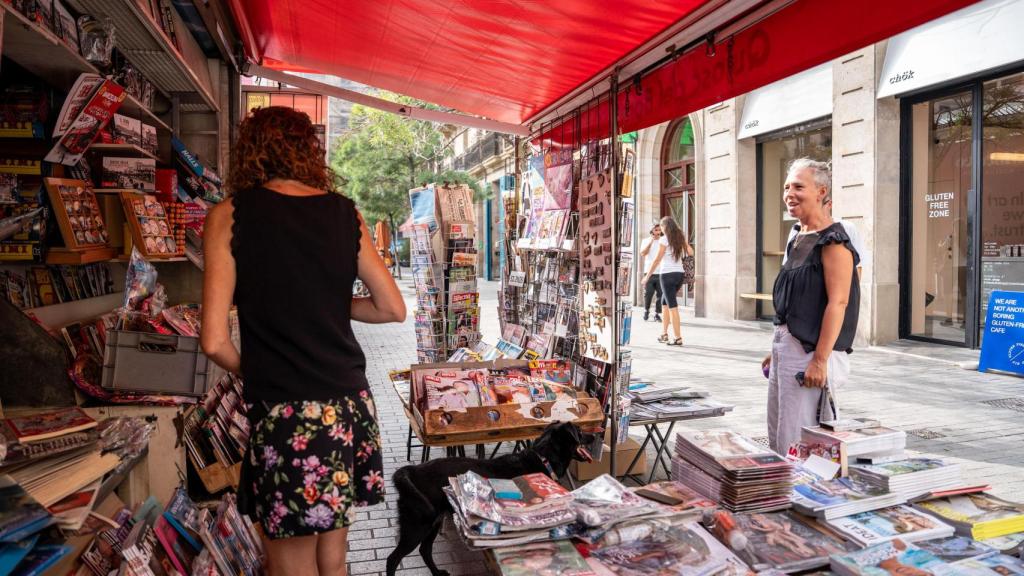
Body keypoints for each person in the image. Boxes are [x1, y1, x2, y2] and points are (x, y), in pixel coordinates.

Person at [200, 106, 406, 576]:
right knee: (332, 562)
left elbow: (213, 340)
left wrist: (260, 370)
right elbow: (391, 308)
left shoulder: (228, 217)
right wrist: (331, 302)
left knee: (290, 567)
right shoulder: (343, 213)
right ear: (309, 152)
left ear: (250, 151)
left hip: (286, 415)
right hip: (348, 408)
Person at [762, 158, 859, 454]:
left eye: (798, 186)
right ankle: (781, 488)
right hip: (787, 344)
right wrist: (776, 347)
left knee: (797, 433)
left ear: (821, 191)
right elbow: (795, 298)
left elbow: (838, 303)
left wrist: (820, 360)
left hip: (808, 352)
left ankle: (797, 490)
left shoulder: (834, 241)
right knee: (778, 427)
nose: (789, 193)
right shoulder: (798, 236)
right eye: (786, 186)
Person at [783, 196, 869, 278]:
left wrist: (855, 292)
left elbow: (858, 266)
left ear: (829, 205)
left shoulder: (847, 227)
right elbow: (788, 266)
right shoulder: (797, 229)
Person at [642, 216, 693, 346]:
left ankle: (677, 338)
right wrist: (684, 243)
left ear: (665, 227)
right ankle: (664, 334)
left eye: (662, 226)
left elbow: (657, 260)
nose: (661, 229)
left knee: (672, 306)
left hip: (667, 275)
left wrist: (647, 276)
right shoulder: (679, 238)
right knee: (664, 303)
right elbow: (691, 252)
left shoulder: (664, 240)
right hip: (679, 274)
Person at [638, 223, 664, 322]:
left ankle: (657, 314)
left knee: (660, 294)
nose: (658, 231)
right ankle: (646, 310)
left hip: (661, 271)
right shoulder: (645, 241)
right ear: (652, 231)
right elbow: (643, 253)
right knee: (648, 293)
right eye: (656, 229)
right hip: (648, 271)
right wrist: (651, 242)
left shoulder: (663, 241)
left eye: (659, 230)